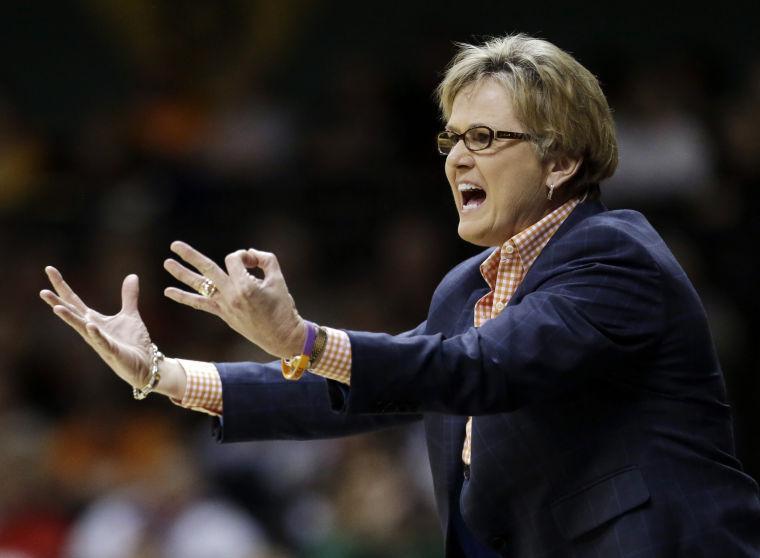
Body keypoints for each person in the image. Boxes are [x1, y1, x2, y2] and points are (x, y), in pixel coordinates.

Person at [41, 34, 760, 557]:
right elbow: (354, 388)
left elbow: (482, 371)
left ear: (562, 160)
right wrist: (161, 375)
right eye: (451, 137)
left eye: (484, 136)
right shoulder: (464, 289)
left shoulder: (614, 255)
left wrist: (305, 339)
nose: (457, 157)